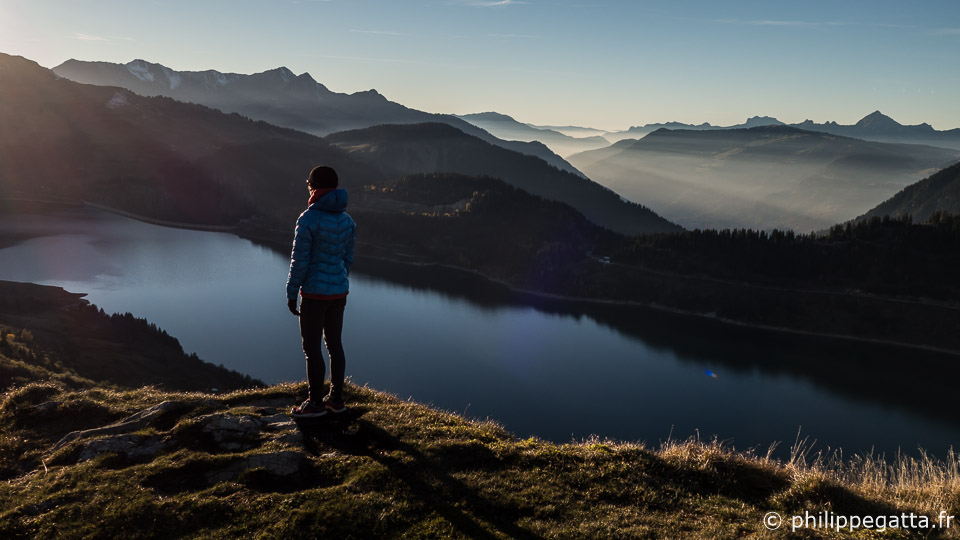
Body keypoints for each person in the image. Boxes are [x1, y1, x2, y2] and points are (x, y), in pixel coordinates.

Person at [286, 165, 356, 418]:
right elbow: (347, 260)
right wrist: (338, 281)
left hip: (314, 295)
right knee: (335, 344)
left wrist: (292, 292)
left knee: (312, 348)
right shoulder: (347, 221)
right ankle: (336, 400)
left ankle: (315, 403)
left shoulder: (307, 219)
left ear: (313, 187)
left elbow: (300, 260)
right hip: (339, 293)